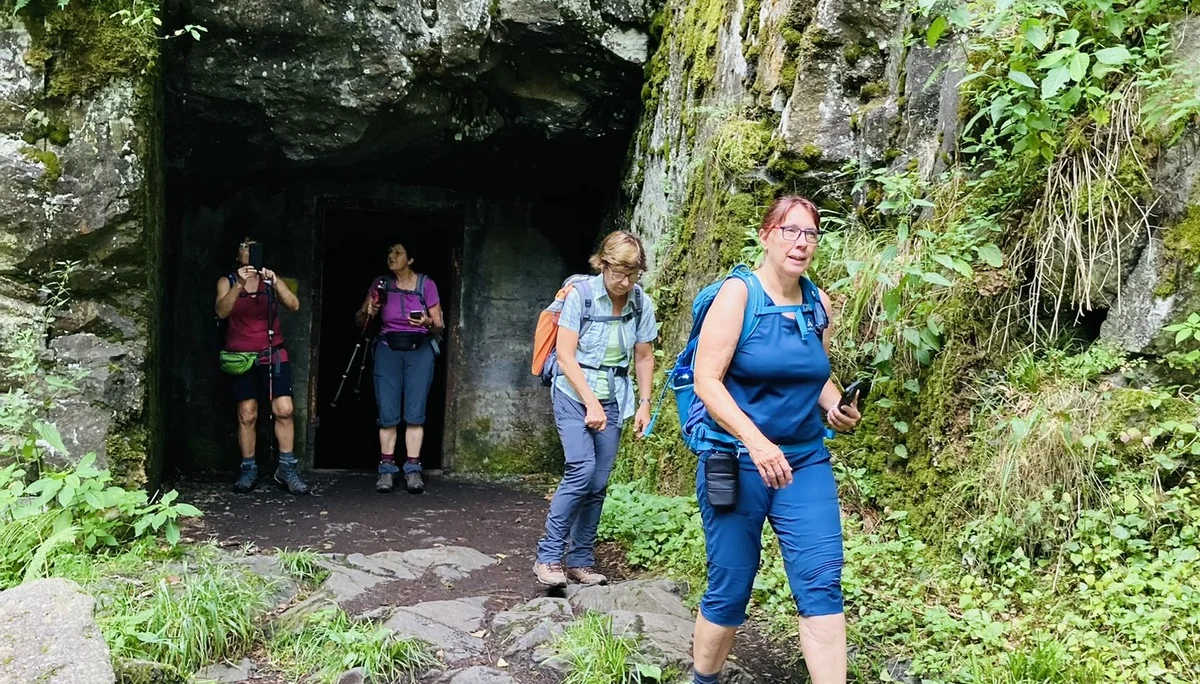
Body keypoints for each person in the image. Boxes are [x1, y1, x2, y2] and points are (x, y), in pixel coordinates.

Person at [688, 196, 861, 684]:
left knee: (822, 582)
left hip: (804, 461)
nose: (801, 243)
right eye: (790, 231)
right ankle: (704, 679)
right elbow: (707, 380)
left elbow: (815, 376)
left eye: (810, 234)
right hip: (738, 460)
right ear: (766, 235)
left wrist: (834, 406)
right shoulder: (738, 295)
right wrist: (757, 442)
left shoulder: (817, 301)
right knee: (731, 584)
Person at [533, 231, 658, 588]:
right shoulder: (581, 296)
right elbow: (567, 357)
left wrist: (645, 404)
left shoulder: (639, 302)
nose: (624, 281)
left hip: (614, 397)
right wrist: (590, 402)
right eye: (618, 272)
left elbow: (644, 355)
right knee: (581, 470)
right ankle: (548, 557)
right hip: (573, 394)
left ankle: (581, 560)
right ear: (601, 264)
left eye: (632, 274)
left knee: (599, 482)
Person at [215, 238, 310, 496]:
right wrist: (241, 285)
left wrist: (276, 281)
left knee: (284, 409)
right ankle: (248, 469)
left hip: (273, 353)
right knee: (248, 413)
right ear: (237, 253)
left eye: (254, 247)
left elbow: (294, 304)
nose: (248, 251)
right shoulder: (228, 281)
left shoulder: (270, 280)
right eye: (244, 246)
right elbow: (221, 311)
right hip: (242, 356)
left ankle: (287, 468)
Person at [356, 243, 444, 495]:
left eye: (398, 253)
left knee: (415, 412)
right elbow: (360, 322)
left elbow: (439, 325)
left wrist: (426, 321)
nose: (391, 257)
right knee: (388, 412)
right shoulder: (381, 284)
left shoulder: (425, 285)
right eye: (389, 253)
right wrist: (368, 310)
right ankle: (386, 468)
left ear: (411, 258)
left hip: (419, 350)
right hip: (388, 350)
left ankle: (413, 469)